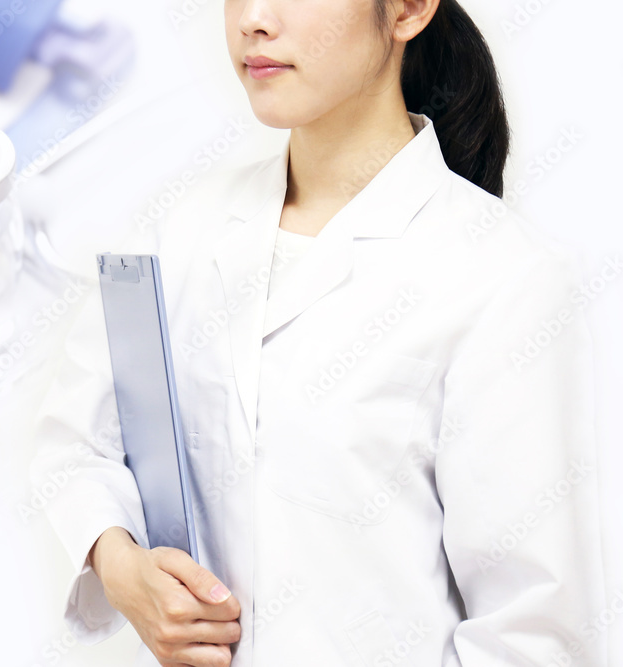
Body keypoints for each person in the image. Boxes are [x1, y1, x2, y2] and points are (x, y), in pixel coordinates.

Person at [33, 0, 608, 665]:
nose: (253, 18)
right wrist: (123, 569)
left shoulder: (505, 276)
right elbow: (77, 441)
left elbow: (532, 632)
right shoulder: (182, 228)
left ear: (408, 11)